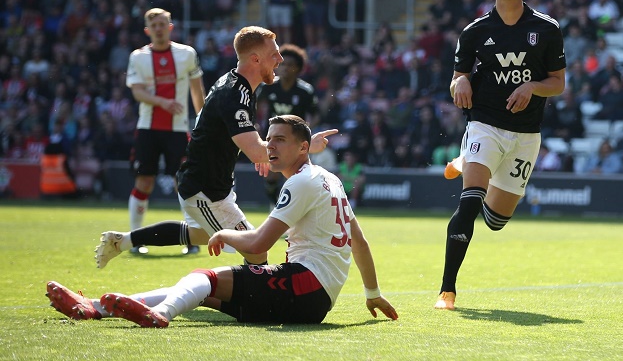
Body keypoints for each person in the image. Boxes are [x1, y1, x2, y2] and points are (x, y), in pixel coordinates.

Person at [47, 115, 398, 327]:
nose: (270, 146)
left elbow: (259, 244)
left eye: (279, 140)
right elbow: (360, 242)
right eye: (268, 138)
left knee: (202, 276)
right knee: (198, 291)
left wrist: (225, 234)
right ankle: (94, 308)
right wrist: (373, 295)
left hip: (305, 285)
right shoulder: (329, 179)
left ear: (303, 147)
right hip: (312, 296)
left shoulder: (301, 181)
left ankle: (162, 315)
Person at [96, 27, 337, 269]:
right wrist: (305, 148)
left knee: (198, 234)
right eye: (274, 54)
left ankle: (123, 241)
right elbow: (254, 150)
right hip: (206, 192)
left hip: (207, 185)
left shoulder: (237, 84)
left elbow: (239, 138)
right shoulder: (234, 94)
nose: (281, 60)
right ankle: (249, 303)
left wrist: (260, 149)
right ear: (256, 59)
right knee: (256, 247)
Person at [436, 0, 566, 310]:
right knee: (470, 201)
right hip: (484, 123)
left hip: (525, 134)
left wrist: (532, 87)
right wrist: (460, 80)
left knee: (495, 222)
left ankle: (467, 161)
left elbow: (558, 83)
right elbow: (456, 79)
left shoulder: (547, 28)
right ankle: (447, 290)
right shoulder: (474, 31)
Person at [125, 8, 206, 256]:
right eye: (154, 25)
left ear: (170, 27)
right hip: (147, 129)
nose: (159, 28)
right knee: (144, 181)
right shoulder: (138, 57)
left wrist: (203, 120)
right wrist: (163, 102)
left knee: (183, 183)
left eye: (163, 24)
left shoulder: (186, 54)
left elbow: (196, 89)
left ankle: (191, 240)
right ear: (147, 30)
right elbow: (137, 92)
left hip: (178, 129)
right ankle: (135, 240)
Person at [256, 44, 318, 207]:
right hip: (273, 138)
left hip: (295, 141)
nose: (285, 68)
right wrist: (254, 125)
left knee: (294, 177)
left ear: (298, 68)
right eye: (282, 64)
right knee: (271, 177)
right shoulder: (268, 86)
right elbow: (254, 107)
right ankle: (274, 206)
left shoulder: (305, 91)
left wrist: (307, 130)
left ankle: (294, 210)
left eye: (290, 65)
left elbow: (315, 113)